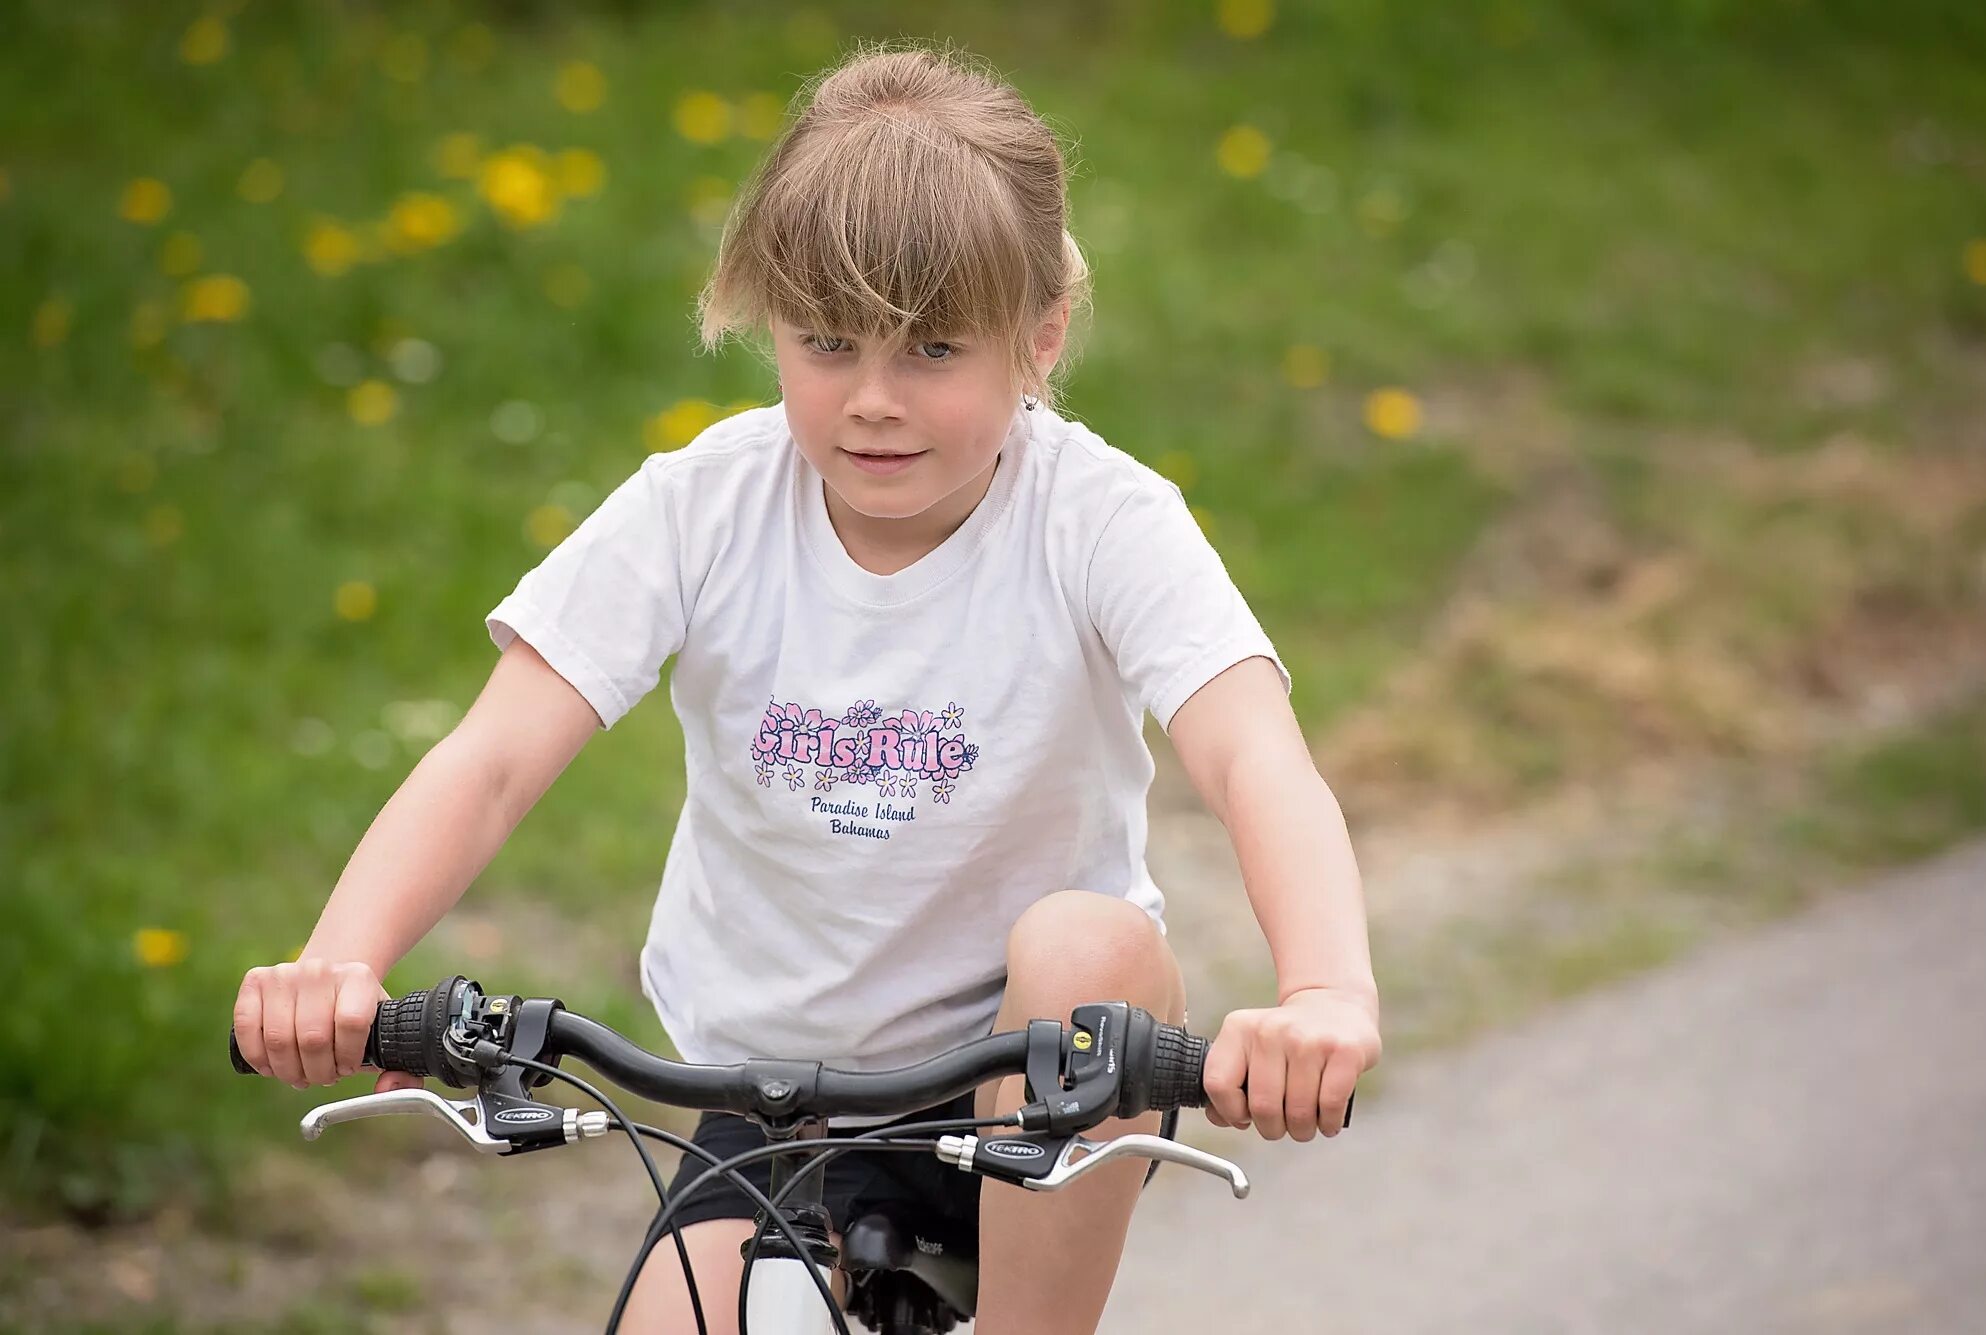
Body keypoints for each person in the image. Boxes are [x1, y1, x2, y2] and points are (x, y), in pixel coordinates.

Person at [231, 38, 1380, 1335]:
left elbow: (1253, 758)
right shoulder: (701, 505)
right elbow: (493, 762)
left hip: (1027, 1081)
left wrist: (1323, 992)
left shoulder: (1101, 520)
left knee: (1088, 942)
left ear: (1039, 336)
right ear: (766, 320)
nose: (873, 402)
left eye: (934, 350)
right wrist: (340, 963)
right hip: (771, 1094)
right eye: (828, 343)